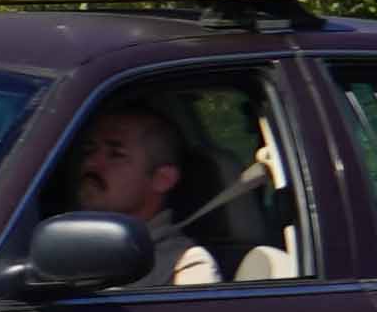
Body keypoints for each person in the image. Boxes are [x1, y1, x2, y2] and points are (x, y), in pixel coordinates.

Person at [56, 98, 297, 285]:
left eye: (115, 154)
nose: (90, 164)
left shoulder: (184, 267)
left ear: (162, 179)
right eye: (89, 150)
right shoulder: (58, 243)